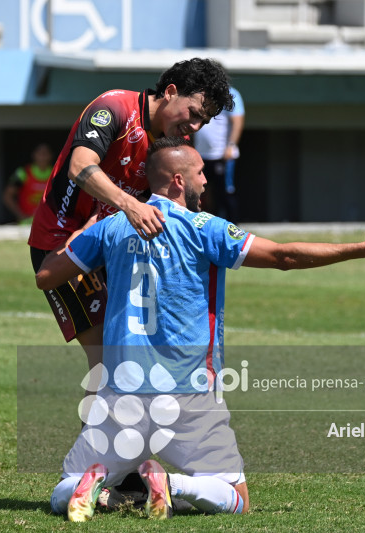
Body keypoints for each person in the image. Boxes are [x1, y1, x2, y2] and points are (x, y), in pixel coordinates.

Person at [35, 137, 365, 522]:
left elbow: (47, 276)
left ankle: (95, 478)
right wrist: (360, 250)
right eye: (201, 172)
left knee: (62, 489)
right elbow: (283, 257)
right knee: (237, 498)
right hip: (187, 393)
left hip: (122, 392)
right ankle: (173, 485)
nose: (206, 180)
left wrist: (80, 233)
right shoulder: (204, 227)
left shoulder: (111, 226)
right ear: (179, 181)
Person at [27, 58, 233, 364]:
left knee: (137, 354)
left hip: (115, 243)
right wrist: (130, 205)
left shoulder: (175, 142)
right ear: (171, 91)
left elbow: (175, 199)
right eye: (194, 114)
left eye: (204, 121)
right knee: (106, 358)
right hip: (61, 240)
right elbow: (80, 166)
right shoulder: (114, 108)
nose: (195, 126)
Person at [194, 84, 244, 220]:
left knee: (225, 193)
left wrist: (231, 146)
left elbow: (238, 121)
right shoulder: (200, 92)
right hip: (202, 155)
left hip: (221, 155)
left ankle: (233, 228)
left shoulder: (231, 94)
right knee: (202, 192)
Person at [2, 143, 54, 223]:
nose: (43, 157)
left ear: (50, 156)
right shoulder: (23, 173)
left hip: (48, 223)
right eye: (40, 153)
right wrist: (20, 215)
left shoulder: (55, 173)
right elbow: (7, 196)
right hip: (26, 224)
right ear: (34, 155)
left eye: (45, 154)